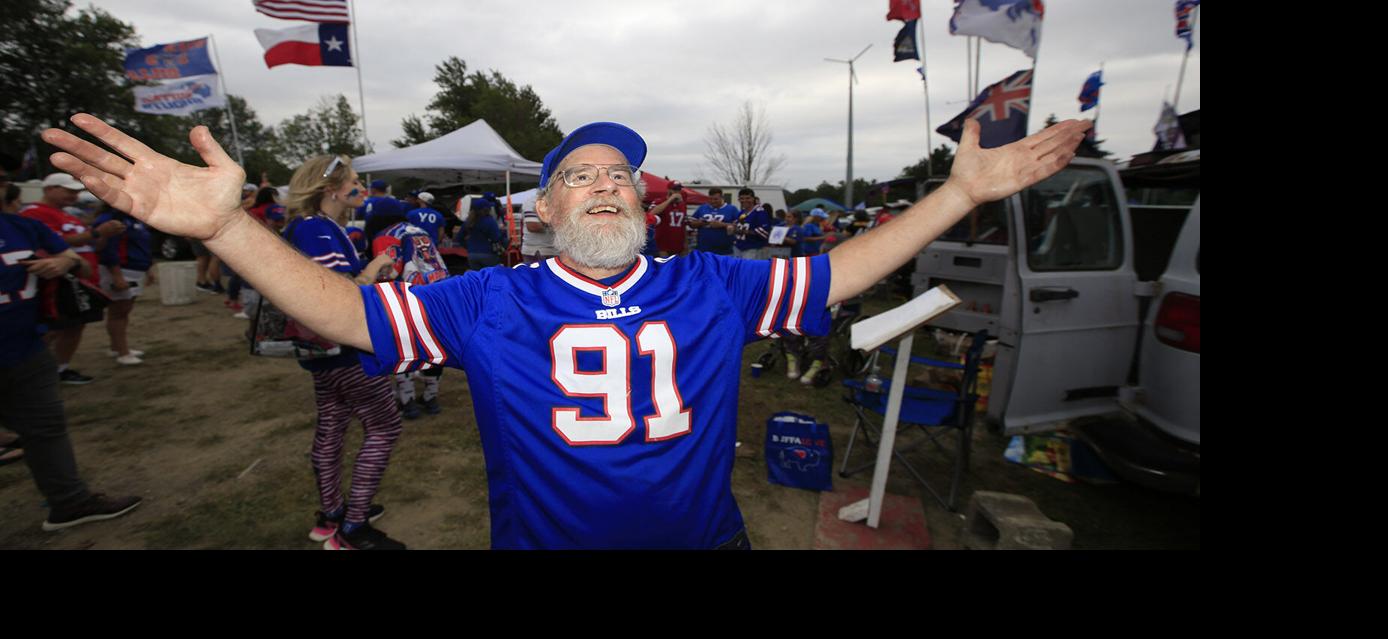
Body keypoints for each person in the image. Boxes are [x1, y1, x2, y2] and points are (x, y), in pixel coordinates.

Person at [42, 111, 1090, 549]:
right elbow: (346, 314)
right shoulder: (489, 300)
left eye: (619, 172)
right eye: (577, 175)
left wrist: (957, 196)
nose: (602, 182)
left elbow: (839, 272)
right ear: (539, 212)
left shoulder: (713, 283)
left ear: (642, 201)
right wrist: (227, 224)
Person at [278, 154, 404, 550]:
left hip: (324, 350)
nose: (362, 190)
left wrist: (370, 269)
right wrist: (378, 265)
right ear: (331, 189)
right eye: (354, 183)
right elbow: (335, 291)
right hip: (345, 348)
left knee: (332, 426)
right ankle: (353, 527)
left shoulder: (316, 227)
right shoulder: (316, 228)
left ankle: (331, 514)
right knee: (384, 426)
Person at [2, 186, 142, 530]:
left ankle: (69, 502)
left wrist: (63, 260)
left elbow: (78, 261)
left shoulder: (20, 225)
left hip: (26, 349)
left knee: (46, 428)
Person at [21, 172, 116, 385]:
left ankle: (60, 369)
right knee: (53, 329)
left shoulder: (70, 216)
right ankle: (29, 371)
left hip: (81, 280)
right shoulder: (34, 213)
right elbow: (54, 243)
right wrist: (95, 233)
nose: (73, 196)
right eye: (68, 191)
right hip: (57, 282)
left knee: (74, 326)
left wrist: (104, 235)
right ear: (49, 189)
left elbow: (91, 245)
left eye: (75, 192)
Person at [364, 196, 449, 420]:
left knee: (403, 348)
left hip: (406, 297)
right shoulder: (419, 230)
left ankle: (408, 400)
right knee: (433, 347)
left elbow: (389, 272)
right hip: (438, 293)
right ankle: (431, 397)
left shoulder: (385, 235)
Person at [92, 200, 154, 364]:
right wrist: (117, 276)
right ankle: (122, 352)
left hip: (135, 269)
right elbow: (107, 249)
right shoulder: (111, 219)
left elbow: (141, 245)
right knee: (118, 312)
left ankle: (116, 347)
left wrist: (148, 269)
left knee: (123, 311)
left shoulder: (133, 219)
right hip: (121, 270)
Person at [781, 208, 830, 383]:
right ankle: (792, 358)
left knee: (818, 327)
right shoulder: (807, 228)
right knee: (790, 323)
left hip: (820, 300)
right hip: (798, 275)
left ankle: (818, 362)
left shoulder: (805, 229)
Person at [688, 187, 737, 256]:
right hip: (703, 250)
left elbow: (737, 227)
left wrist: (722, 225)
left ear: (722, 198)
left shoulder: (732, 209)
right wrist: (701, 223)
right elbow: (691, 223)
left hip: (725, 251)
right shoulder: (703, 208)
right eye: (710, 199)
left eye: (716, 199)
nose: (713, 201)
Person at [461, 196, 507, 270]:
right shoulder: (490, 221)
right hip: (488, 254)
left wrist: (468, 247)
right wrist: (503, 233)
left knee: (478, 279)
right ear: (488, 209)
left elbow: (459, 238)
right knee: (491, 277)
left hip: (472, 255)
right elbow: (496, 238)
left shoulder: (468, 222)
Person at [648, 181, 689, 258]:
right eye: (674, 189)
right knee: (664, 267)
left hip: (678, 244)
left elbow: (684, 225)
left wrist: (685, 243)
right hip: (663, 245)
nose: (677, 192)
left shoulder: (682, 204)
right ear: (668, 190)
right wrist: (670, 200)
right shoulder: (659, 201)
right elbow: (651, 213)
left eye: (678, 189)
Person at [730, 188, 771, 261]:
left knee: (748, 271)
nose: (744, 200)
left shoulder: (760, 212)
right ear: (739, 200)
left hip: (753, 248)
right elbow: (736, 226)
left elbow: (765, 232)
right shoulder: (742, 212)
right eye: (742, 198)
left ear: (753, 199)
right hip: (739, 247)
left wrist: (743, 231)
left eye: (747, 198)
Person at [517, 190, 555, 262]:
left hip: (549, 250)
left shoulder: (555, 200)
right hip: (539, 250)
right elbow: (532, 226)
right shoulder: (533, 201)